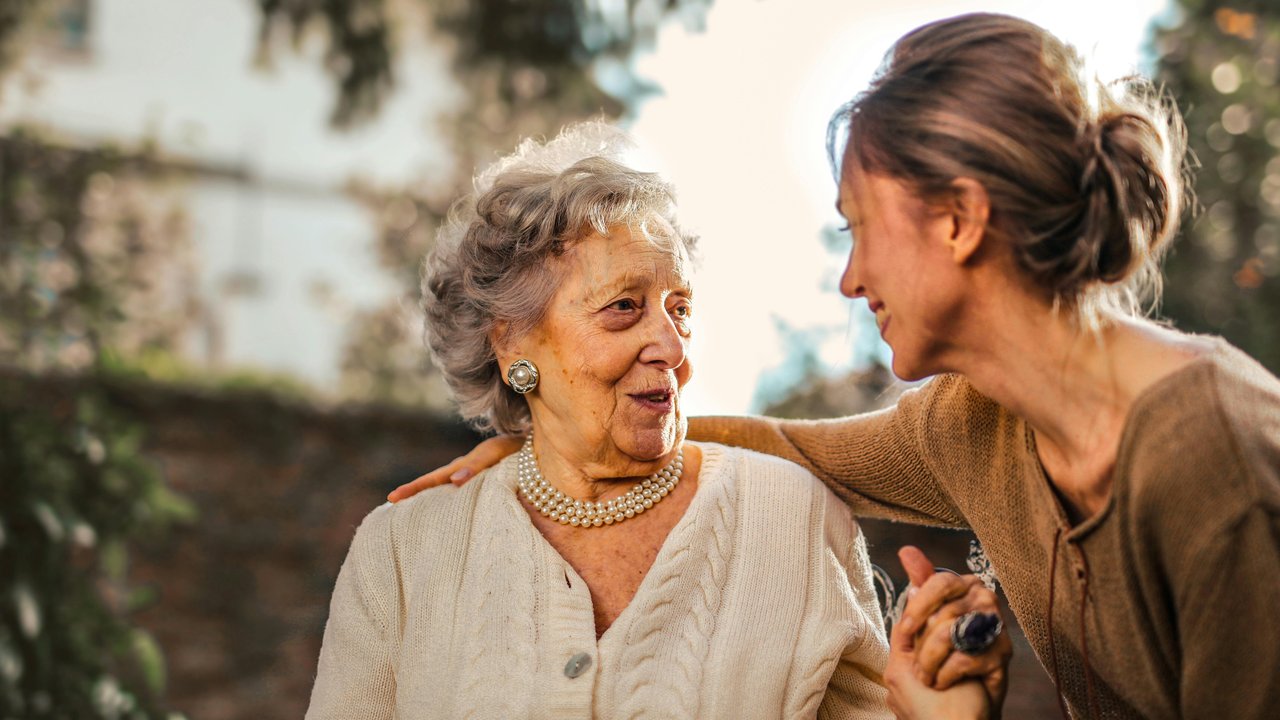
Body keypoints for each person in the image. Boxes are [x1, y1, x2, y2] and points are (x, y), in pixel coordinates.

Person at [389, 13, 1280, 720]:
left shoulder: (1217, 461)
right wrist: (564, 443)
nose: (851, 279)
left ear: (960, 221)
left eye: (859, 226)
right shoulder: (973, 425)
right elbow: (787, 447)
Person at [307, 123, 932, 719]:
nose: (672, 345)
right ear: (512, 343)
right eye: (625, 307)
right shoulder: (402, 550)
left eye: (680, 308)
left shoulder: (796, 520)